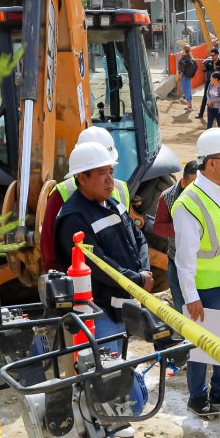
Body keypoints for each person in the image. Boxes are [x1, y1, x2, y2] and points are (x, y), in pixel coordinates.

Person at [172, 128, 220, 418]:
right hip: (207, 289)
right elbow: (184, 259)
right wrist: (190, 296)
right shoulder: (188, 204)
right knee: (203, 346)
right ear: (211, 163)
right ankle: (197, 396)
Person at [54, 142, 153, 354]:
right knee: (108, 379)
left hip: (121, 309)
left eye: (111, 171)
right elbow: (98, 265)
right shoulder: (74, 218)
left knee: (119, 373)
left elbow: (139, 238)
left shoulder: (112, 203)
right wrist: (138, 280)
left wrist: (145, 272)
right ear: (82, 177)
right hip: (99, 315)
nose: (110, 179)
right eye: (102, 173)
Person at [40, 126, 130, 272]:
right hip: (85, 280)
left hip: (121, 278)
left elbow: (132, 236)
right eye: (100, 170)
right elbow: (51, 248)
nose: (108, 178)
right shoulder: (62, 193)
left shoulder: (120, 188)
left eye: (109, 170)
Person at [153, 160, 199, 314]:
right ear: (183, 182)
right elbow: (158, 227)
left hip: (203, 264)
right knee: (183, 308)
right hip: (177, 262)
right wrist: (182, 229)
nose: (196, 189)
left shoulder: (209, 196)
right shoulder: (167, 197)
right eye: (192, 184)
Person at [197, 48, 220, 120]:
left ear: (217, 55)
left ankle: (217, 115)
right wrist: (203, 63)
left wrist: (215, 67)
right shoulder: (209, 62)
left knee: (216, 99)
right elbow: (204, 70)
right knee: (205, 98)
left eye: (213, 55)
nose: (212, 57)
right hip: (209, 83)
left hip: (217, 85)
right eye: (211, 55)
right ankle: (201, 113)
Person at [177, 44, 195, 111]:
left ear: (184, 50)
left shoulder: (184, 57)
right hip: (188, 76)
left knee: (186, 91)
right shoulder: (190, 57)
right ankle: (190, 105)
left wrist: (180, 76)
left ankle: (189, 106)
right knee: (188, 90)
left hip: (184, 76)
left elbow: (182, 68)